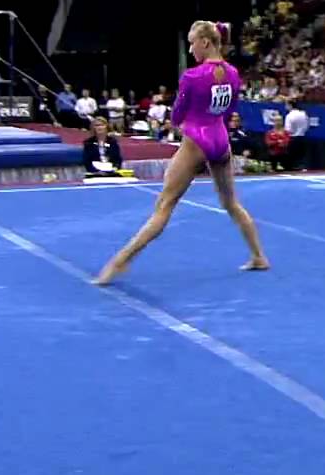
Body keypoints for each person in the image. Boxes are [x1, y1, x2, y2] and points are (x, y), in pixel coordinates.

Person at [95, 21, 268, 285]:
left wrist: (185, 121)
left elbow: (176, 116)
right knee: (231, 203)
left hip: (196, 141)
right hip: (220, 140)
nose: (190, 49)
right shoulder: (233, 73)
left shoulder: (192, 76)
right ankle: (259, 256)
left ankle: (121, 260)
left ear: (206, 42)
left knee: (164, 205)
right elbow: (230, 108)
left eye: (192, 42)